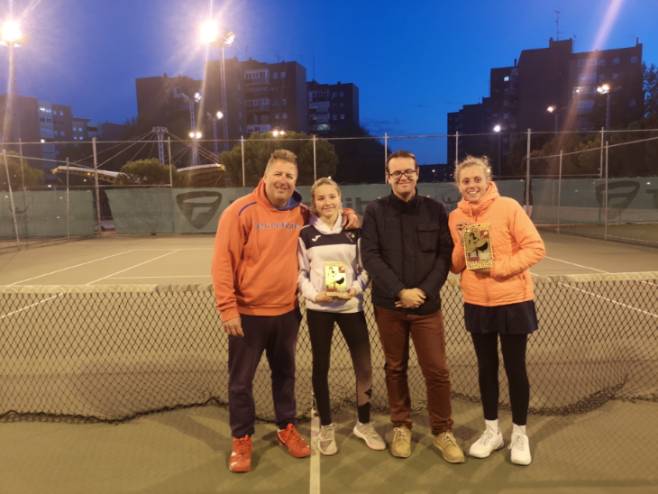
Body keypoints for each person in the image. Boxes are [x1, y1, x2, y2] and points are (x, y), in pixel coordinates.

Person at [361, 150, 464, 463]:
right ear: (388, 177)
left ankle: (442, 430)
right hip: (389, 306)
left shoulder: (435, 210)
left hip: (426, 307)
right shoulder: (375, 211)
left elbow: (443, 256)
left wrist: (423, 292)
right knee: (395, 367)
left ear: (417, 173)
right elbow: (371, 256)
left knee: (437, 370)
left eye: (408, 171)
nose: (403, 177)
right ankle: (401, 425)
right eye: (397, 173)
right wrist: (400, 291)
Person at [448, 155, 545, 466]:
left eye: (477, 179)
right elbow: (456, 265)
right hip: (477, 303)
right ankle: (492, 432)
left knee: (515, 368)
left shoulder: (508, 207)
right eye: (466, 181)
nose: (472, 185)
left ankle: (519, 434)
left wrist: (499, 269)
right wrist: (462, 239)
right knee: (486, 369)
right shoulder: (455, 217)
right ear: (458, 185)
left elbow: (536, 248)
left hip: (513, 301)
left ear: (487, 180)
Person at [297, 177, 386, 455]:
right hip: (319, 311)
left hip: (351, 308)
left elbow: (365, 269)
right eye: (321, 198)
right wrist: (315, 295)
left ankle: (364, 423)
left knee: (364, 367)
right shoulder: (305, 234)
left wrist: (355, 289)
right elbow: (300, 273)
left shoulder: (355, 232)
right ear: (314, 203)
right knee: (320, 368)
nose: (327, 202)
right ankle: (326, 426)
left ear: (340, 198)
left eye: (331, 197)